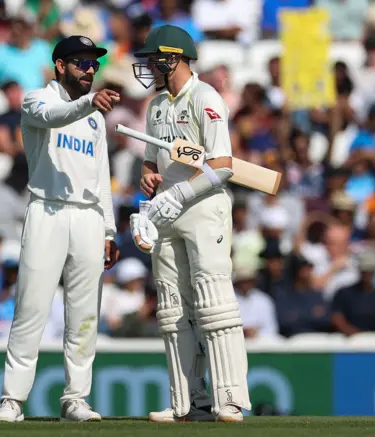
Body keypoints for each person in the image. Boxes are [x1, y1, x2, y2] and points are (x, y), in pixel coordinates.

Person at [0, 35, 120, 423]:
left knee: (83, 314)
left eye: (94, 63)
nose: (90, 70)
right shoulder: (37, 100)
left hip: (88, 216)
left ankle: (75, 399)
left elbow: (101, 176)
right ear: (60, 66)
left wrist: (110, 230)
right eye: (81, 62)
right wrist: (86, 104)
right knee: (31, 308)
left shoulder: (96, 118)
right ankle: (12, 400)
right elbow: (53, 117)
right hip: (46, 209)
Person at [129, 25, 250, 422]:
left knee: (213, 304)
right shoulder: (156, 106)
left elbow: (223, 166)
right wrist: (149, 176)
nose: (147, 65)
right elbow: (153, 160)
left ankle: (229, 398)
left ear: (172, 57)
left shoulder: (206, 97)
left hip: (203, 209)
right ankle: (187, 403)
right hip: (165, 211)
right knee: (172, 306)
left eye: (152, 59)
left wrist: (178, 194)